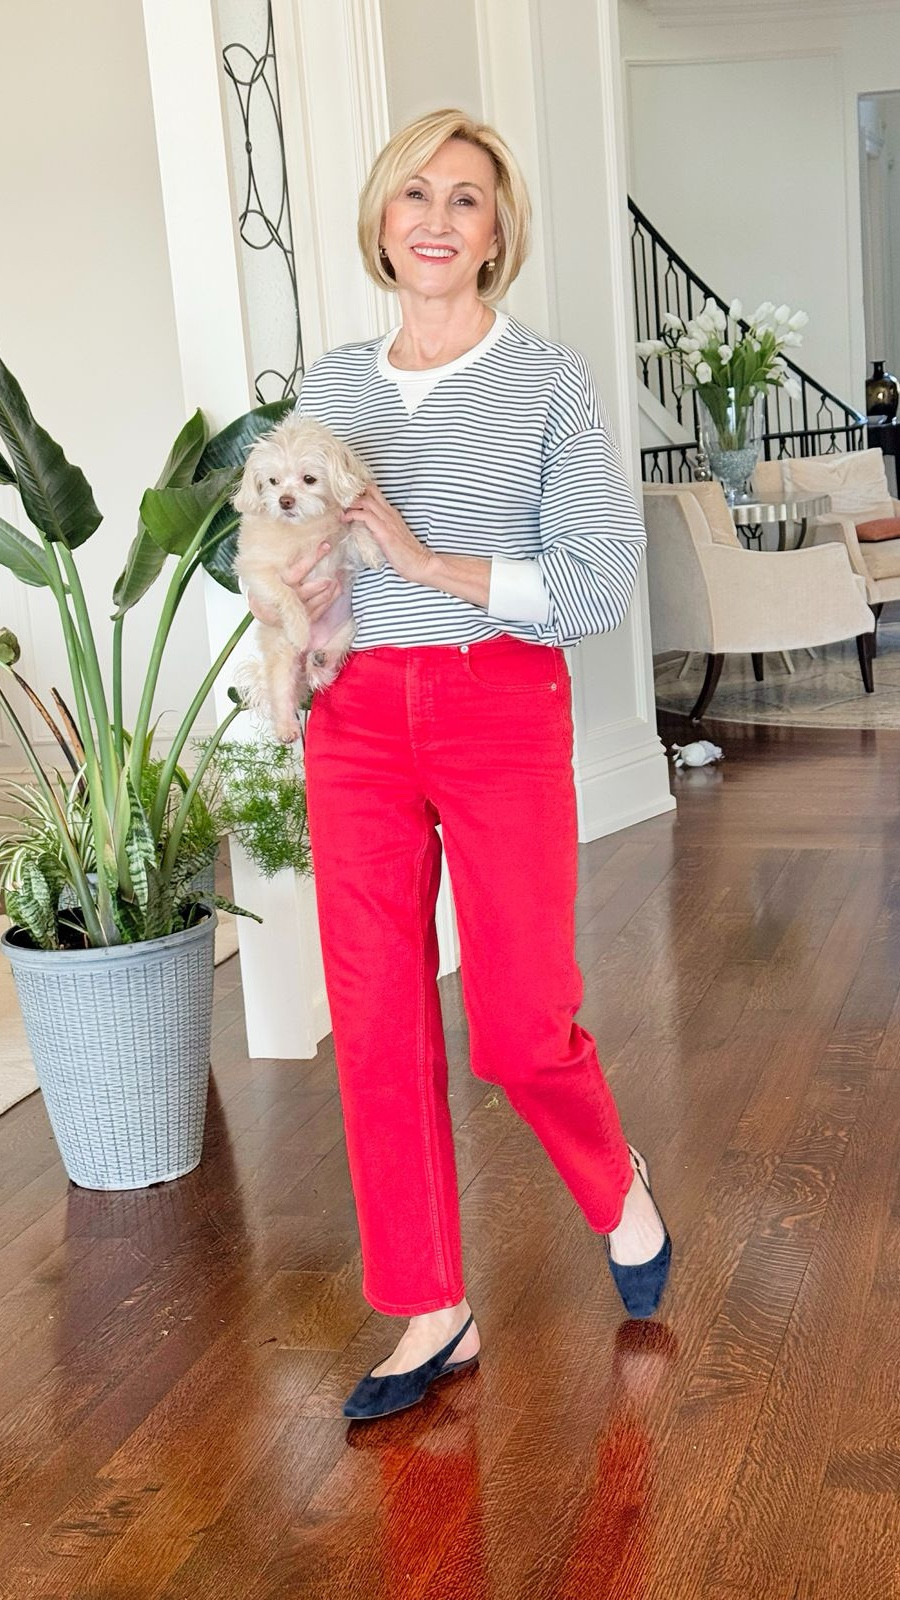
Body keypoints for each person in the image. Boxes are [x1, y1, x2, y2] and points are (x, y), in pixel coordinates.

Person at [248, 109, 671, 1422]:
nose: (438, 216)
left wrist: (433, 568)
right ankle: (433, 1307)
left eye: (468, 199)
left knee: (520, 1023)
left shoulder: (548, 382)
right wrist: (291, 635)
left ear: (499, 234)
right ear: (382, 219)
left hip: (497, 702)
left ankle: (614, 1179)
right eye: (415, 192)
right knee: (372, 1015)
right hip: (357, 713)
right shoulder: (333, 385)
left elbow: (603, 581)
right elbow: (286, 542)